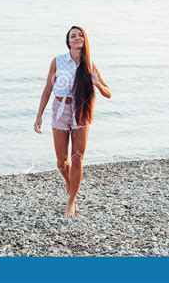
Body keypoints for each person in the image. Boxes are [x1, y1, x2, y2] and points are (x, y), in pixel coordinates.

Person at [34, 26, 112, 218]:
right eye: (73, 36)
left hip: (81, 113)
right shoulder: (57, 62)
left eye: (80, 35)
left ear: (84, 40)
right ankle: (71, 185)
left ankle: (71, 202)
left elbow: (108, 93)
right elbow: (47, 90)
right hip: (60, 110)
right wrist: (39, 116)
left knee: (77, 158)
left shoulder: (90, 66)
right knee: (61, 162)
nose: (77, 38)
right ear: (68, 42)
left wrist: (97, 83)